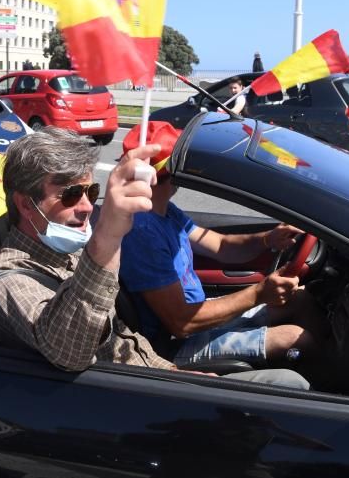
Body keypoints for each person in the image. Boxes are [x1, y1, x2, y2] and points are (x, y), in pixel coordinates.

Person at [0, 127, 310, 389]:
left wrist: (174, 372)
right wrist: (109, 235)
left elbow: (129, 344)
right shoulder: (6, 281)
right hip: (131, 404)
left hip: (156, 374)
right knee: (291, 384)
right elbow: (68, 351)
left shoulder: (65, 254)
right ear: (26, 204)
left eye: (91, 191)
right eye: (71, 195)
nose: (87, 207)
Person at [119, 122, 326, 373]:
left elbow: (220, 245)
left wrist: (267, 240)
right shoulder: (142, 231)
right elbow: (181, 323)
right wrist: (259, 294)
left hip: (199, 317)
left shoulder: (165, 212)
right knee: (294, 338)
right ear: (169, 171)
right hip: (171, 343)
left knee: (301, 299)